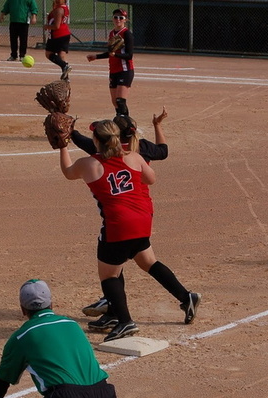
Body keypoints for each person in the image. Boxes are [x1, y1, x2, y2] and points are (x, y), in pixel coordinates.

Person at [59, 120, 201, 341]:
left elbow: (68, 173)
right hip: (142, 219)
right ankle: (186, 297)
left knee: (109, 275)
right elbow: (151, 179)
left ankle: (125, 321)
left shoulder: (89, 164)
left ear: (96, 140)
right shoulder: (134, 157)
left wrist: (62, 146)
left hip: (118, 224)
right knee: (147, 262)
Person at [72, 108, 170, 319]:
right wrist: (157, 125)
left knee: (113, 262)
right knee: (136, 259)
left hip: (121, 213)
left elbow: (80, 142)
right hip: (143, 210)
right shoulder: (142, 149)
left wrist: (69, 131)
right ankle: (113, 306)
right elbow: (163, 150)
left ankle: (115, 308)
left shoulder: (105, 150)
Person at [86, 9, 134, 117]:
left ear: (125, 20)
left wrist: (115, 55)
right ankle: (120, 120)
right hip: (113, 70)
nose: (118, 19)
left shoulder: (127, 34)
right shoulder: (112, 33)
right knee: (115, 102)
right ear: (112, 18)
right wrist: (96, 57)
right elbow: (110, 52)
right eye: (116, 17)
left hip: (125, 70)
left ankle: (127, 126)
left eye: (121, 18)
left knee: (120, 101)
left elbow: (129, 55)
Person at [43, 0, 72, 80]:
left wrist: (46, 26)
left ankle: (64, 66)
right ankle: (66, 78)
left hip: (57, 35)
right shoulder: (64, 7)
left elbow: (56, 26)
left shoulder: (58, 10)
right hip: (65, 34)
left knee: (49, 53)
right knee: (61, 55)